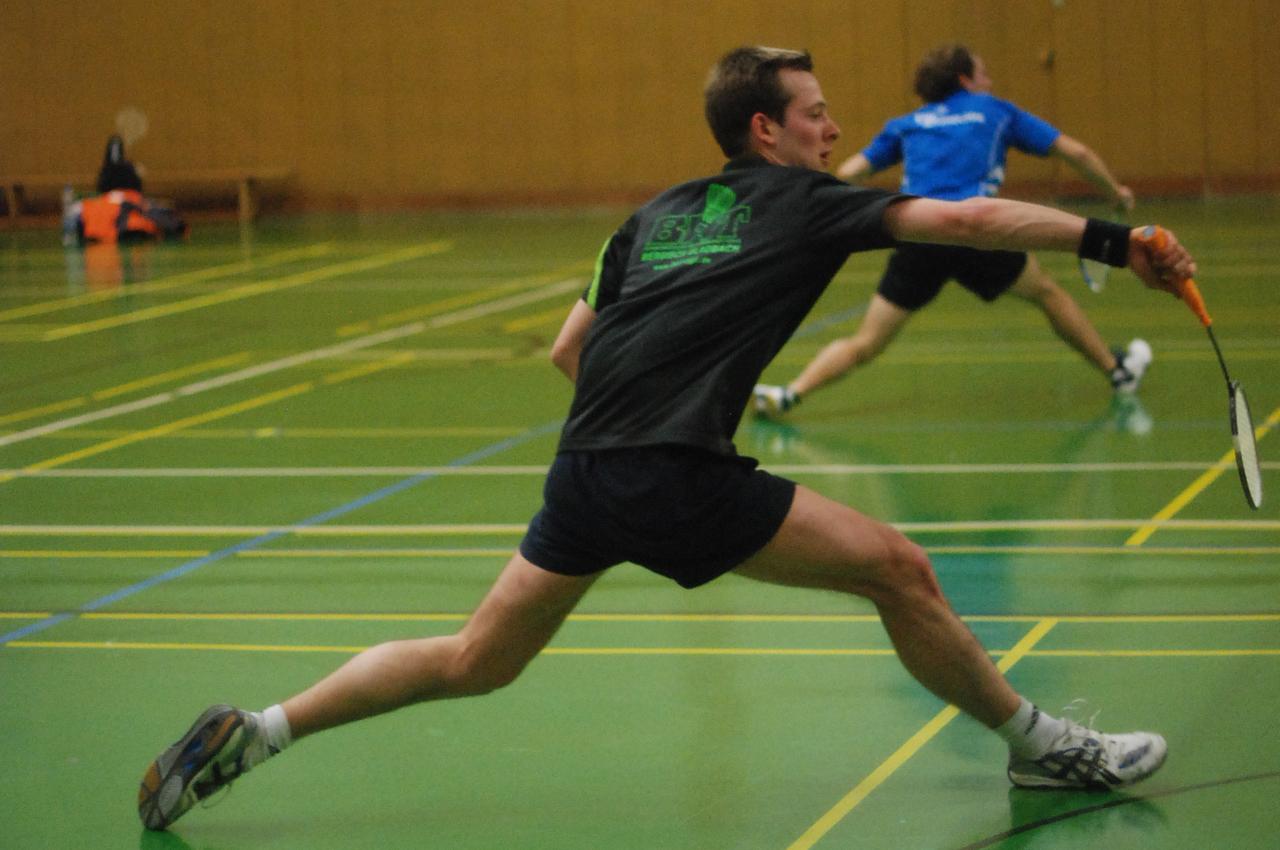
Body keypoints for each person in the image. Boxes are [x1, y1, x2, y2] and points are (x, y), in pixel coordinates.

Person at [138, 46, 1196, 831]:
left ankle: (261, 727)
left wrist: (661, 396)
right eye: (815, 116)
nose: (833, 133)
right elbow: (962, 221)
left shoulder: (651, 215)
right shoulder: (808, 202)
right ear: (766, 133)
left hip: (587, 468)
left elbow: (568, 349)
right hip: (669, 471)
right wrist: (1117, 238)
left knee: (475, 656)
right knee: (900, 569)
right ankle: (1043, 749)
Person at [753, 44, 1148, 418]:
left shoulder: (907, 124)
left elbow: (850, 172)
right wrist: (1116, 193)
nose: (989, 82)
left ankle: (790, 393)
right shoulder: (995, 110)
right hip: (978, 232)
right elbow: (1074, 152)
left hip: (918, 234)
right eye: (984, 74)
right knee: (1047, 293)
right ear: (964, 79)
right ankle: (1116, 370)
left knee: (867, 341)